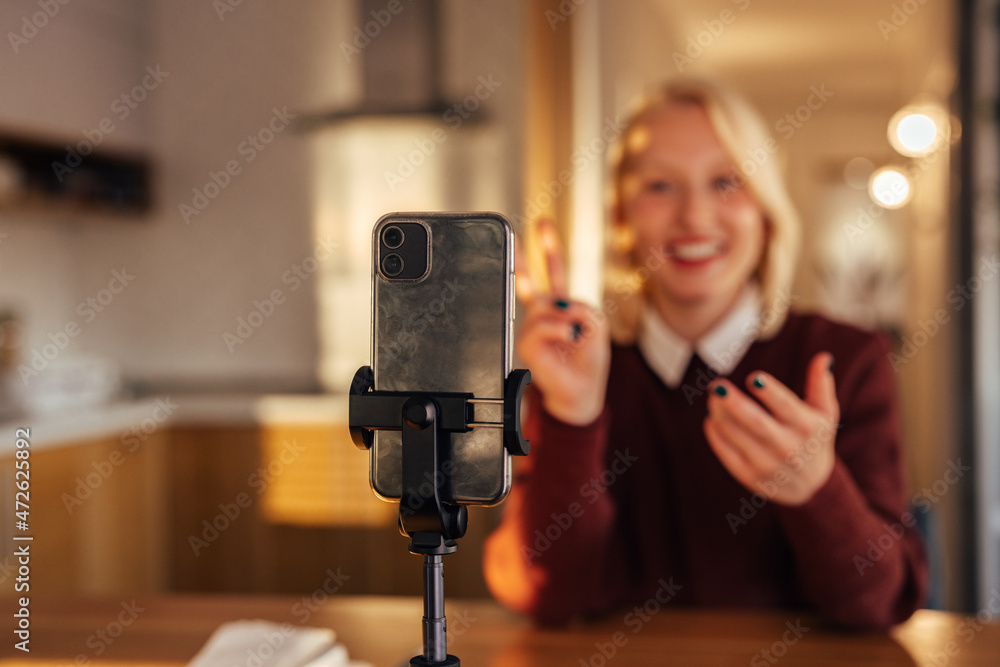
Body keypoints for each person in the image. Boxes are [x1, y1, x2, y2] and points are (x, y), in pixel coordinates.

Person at [483, 77, 928, 630]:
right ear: (622, 219)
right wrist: (574, 417)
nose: (694, 217)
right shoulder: (579, 366)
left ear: (766, 214)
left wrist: (817, 489)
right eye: (660, 186)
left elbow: (882, 604)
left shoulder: (844, 357)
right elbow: (548, 593)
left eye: (725, 181)